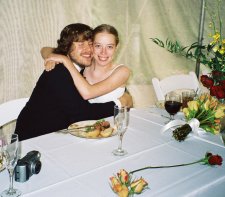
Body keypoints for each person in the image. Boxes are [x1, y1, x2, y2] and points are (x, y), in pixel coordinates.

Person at [15, 23, 132, 141]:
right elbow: (82, 115)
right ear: (67, 47)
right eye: (81, 44)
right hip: (32, 141)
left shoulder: (79, 71)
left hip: (58, 136)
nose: (88, 50)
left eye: (90, 44)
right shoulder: (58, 72)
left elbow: (46, 50)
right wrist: (119, 103)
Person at [42, 24, 130, 104]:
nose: (104, 52)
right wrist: (51, 57)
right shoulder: (85, 65)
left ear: (116, 48)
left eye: (110, 47)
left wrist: (65, 60)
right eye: (98, 46)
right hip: (87, 121)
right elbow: (45, 49)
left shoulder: (122, 71)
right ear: (92, 46)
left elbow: (88, 93)